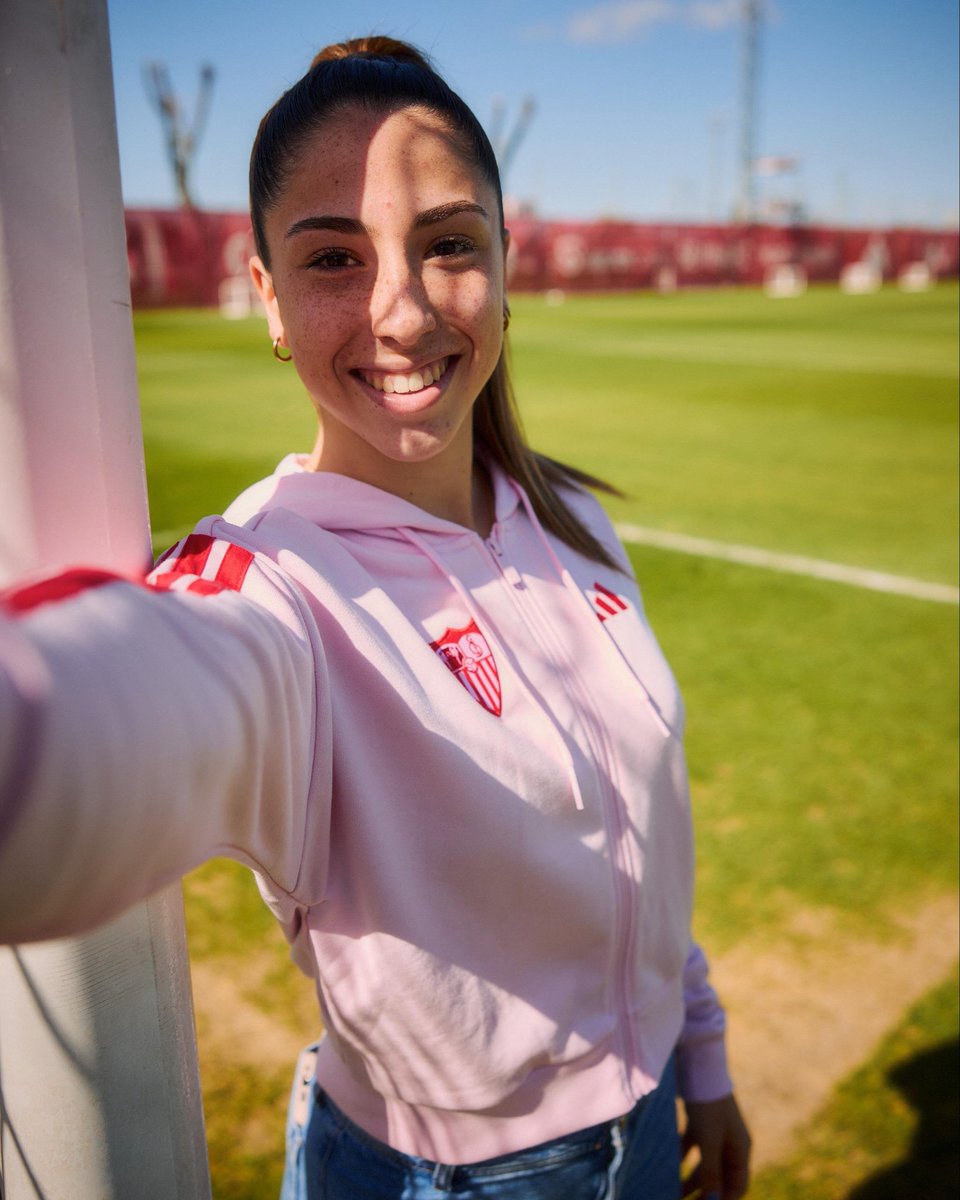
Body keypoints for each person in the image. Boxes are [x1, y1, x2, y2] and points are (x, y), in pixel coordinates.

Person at [0, 36, 751, 1200]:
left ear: (505, 265)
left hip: (647, 1131)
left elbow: (639, 838)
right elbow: (111, 717)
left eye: (447, 244)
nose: (399, 313)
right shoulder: (273, 589)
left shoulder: (575, 525)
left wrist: (698, 1047)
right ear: (267, 300)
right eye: (335, 258)